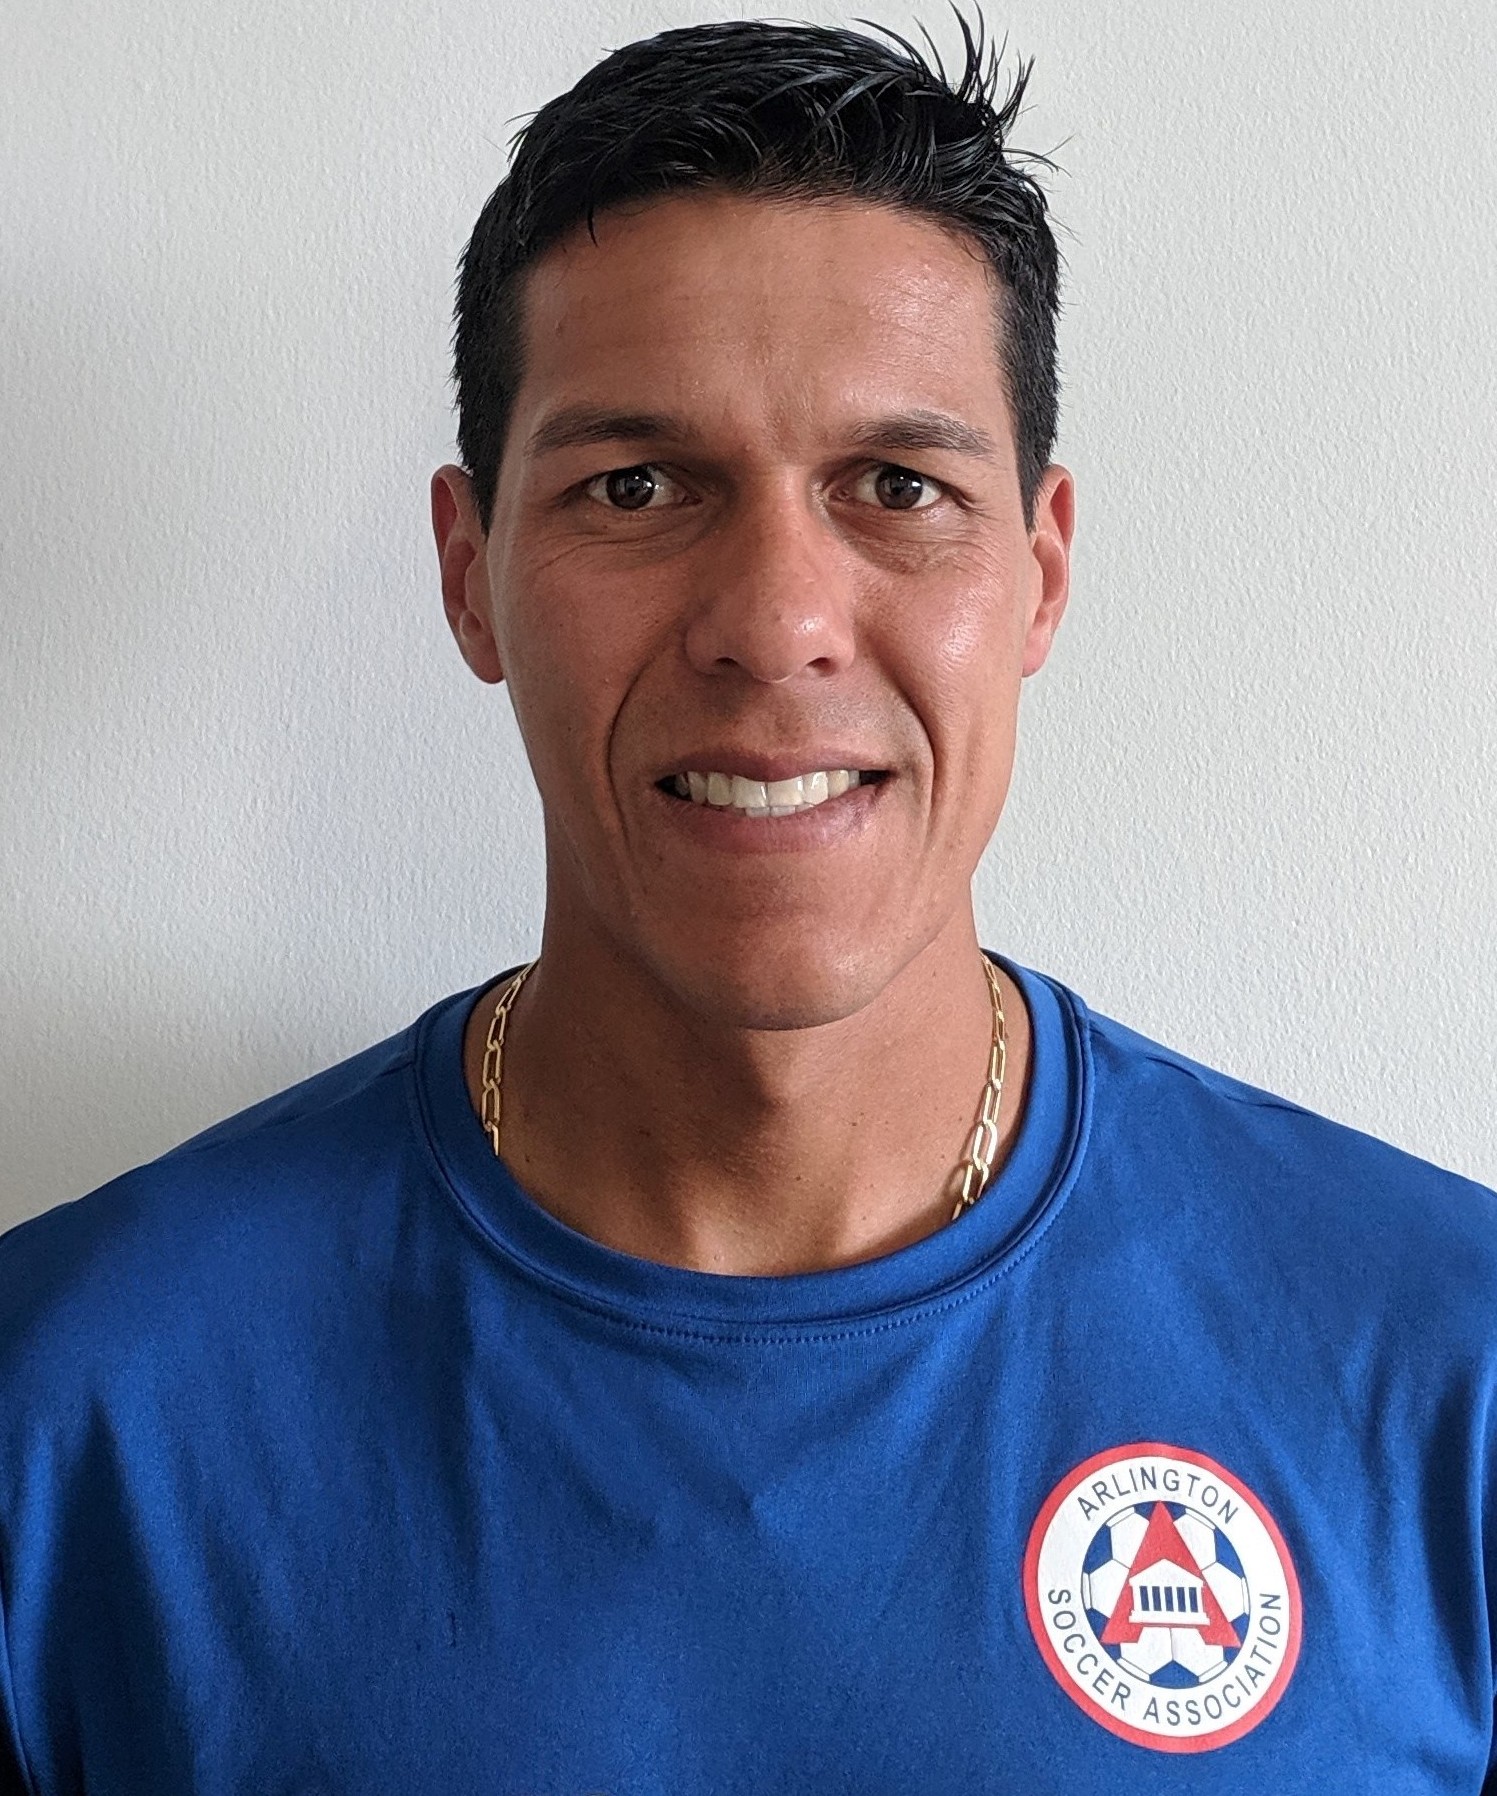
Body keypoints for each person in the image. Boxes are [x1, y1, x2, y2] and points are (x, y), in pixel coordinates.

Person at [2, 14, 1493, 1792]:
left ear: (1039, 573)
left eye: (898, 487)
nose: (775, 622)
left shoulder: (1447, 1364)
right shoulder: (70, 1406)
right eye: (636, 487)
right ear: (471, 576)